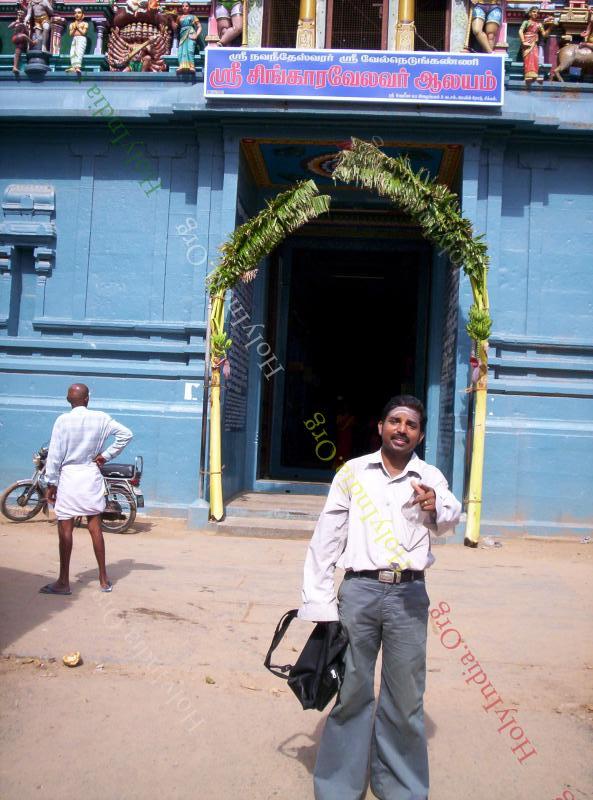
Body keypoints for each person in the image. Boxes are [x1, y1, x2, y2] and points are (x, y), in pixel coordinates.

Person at [299, 395, 462, 800]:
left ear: (420, 434)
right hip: (360, 592)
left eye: (410, 424)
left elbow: (450, 516)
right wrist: (320, 603)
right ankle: (339, 787)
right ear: (380, 427)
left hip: (409, 594)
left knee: (406, 696)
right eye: (395, 421)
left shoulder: (430, 476)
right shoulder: (352, 473)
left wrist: (435, 504)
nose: (401, 429)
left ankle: (401, 788)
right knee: (352, 689)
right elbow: (328, 536)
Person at [40, 384, 133, 596]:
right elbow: (126, 434)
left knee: (65, 529)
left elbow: (54, 455)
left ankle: (63, 582)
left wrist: (51, 483)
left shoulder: (63, 421)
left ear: (68, 400)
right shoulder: (101, 418)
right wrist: (106, 456)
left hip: (69, 477)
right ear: (87, 399)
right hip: (90, 475)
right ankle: (103, 579)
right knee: (95, 527)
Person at [519, 7, 553, 83]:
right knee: (528, 58)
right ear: (530, 13)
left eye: (537, 13)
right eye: (534, 12)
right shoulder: (526, 22)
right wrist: (523, 41)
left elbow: (544, 35)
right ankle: (527, 75)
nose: (535, 14)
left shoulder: (539, 24)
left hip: (534, 43)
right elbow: (520, 31)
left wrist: (550, 27)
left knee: (535, 58)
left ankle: (535, 75)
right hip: (527, 42)